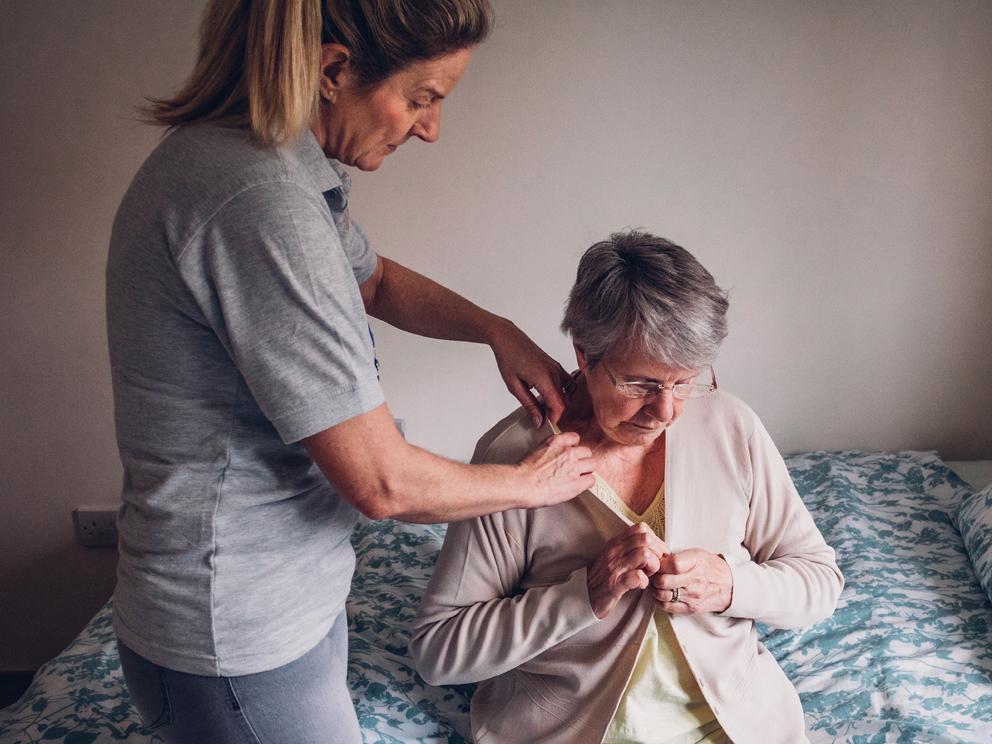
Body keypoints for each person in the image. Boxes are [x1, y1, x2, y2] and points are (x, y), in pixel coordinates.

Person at [105, 1, 595, 742]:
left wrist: (495, 331)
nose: (429, 128)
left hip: (269, 605)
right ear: (334, 70)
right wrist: (532, 485)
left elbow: (372, 282)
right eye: (422, 98)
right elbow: (381, 482)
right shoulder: (258, 202)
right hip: (236, 633)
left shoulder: (268, 165)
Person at [410, 231, 844, 744]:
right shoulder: (514, 458)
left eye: (684, 382)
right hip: (568, 729)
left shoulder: (732, 427)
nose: (665, 411)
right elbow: (439, 651)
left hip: (735, 726)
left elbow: (820, 582)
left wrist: (731, 585)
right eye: (640, 383)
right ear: (586, 354)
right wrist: (583, 596)